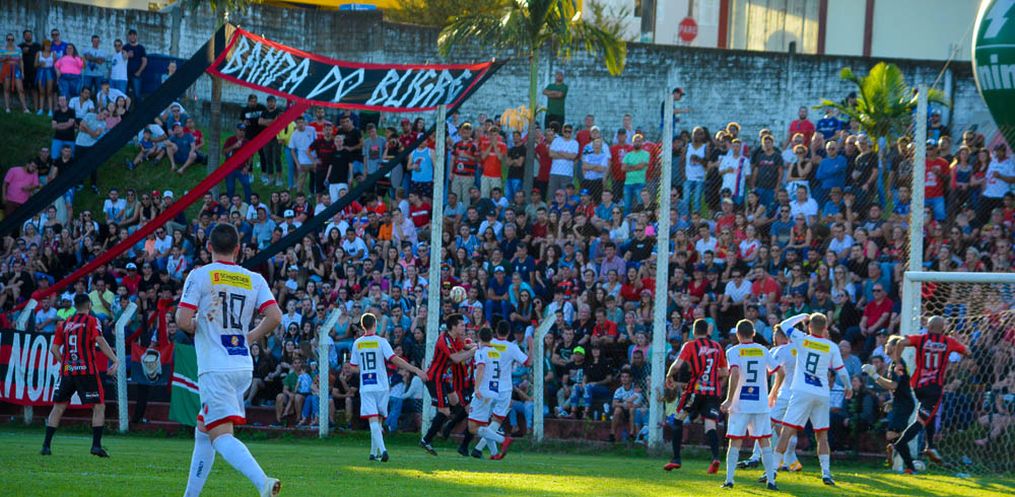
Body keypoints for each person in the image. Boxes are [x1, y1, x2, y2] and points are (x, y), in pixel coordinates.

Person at [175, 223, 283, 497]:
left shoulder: (201, 275)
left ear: (209, 247)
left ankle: (263, 483)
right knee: (204, 429)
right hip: (242, 365)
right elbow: (274, 316)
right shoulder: (253, 278)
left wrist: (199, 323)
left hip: (215, 367)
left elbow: (183, 320)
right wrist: (250, 336)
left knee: (221, 436)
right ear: (238, 249)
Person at [770, 313, 853, 486]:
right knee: (822, 434)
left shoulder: (802, 339)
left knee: (786, 430)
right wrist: (848, 387)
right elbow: (842, 371)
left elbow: (784, 324)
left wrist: (802, 316)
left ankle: (772, 470)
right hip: (821, 393)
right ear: (825, 328)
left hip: (802, 390)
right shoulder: (831, 346)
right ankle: (826, 473)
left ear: (809, 326)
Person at [41, 294, 119, 457]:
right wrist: (115, 360)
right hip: (87, 371)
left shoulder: (64, 323)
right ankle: (96, 446)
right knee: (98, 406)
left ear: (75, 306)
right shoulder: (92, 321)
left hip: (68, 371)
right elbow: (100, 340)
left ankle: (46, 446)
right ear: (89, 305)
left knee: (58, 406)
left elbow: (54, 349)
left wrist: (67, 363)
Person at [349, 312, 427, 462]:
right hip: (382, 385)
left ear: (363, 326)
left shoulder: (357, 343)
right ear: (375, 324)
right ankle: (374, 453)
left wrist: (364, 370)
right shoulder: (381, 341)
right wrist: (414, 369)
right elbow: (394, 359)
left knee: (372, 419)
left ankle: (382, 450)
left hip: (367, 385)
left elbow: (353, 367)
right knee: (378, 418)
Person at [892, 315, 969, 465]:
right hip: (934, 388)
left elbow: (901, 342)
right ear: (943, 328)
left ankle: (930, 446)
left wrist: (898, 362)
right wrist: (962, 346)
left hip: (918, 386)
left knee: (930, 414)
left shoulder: (921, 339)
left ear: (929, 327)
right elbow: (967, 351)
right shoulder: (948, 341)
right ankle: (901, 444)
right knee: (921, 420)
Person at [720, 319, 783, 490]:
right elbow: (780, 372)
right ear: (753, 333)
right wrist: (773, 392)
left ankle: (729, 480)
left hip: (741, 403)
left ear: (737, 335)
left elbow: (734, 374)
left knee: (735, 441)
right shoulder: (763, 350)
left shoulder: (733, 351)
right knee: (764, 441)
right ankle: (771, 481)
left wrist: (729, 399)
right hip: (760, 402)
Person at [663, 318, 728, 473]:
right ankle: (715, 458)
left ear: (694, 331)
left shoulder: (690, 345)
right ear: (707, 331)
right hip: (713, 392)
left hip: (695, 390)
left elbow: (677, 365)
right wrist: (712, 376)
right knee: (710, 425)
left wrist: (669, 375)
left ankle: (676, 459)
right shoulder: (717, 346)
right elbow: (725, 372)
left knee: (678, 419)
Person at [420, 313, 477, 456]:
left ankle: (445, 423)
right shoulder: (444, 339)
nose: (464, 327)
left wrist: (477, 345)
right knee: (445, 411)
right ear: (453, 326)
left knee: (455, 401)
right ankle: (426, 439)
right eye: (462, 325)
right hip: (435, 378)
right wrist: (473, 351)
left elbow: (463, 348)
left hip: (444, 378)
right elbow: (456, 358)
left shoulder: (454, 339)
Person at [475, 320, 530, 459]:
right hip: (504, 388)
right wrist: (532, 346)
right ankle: (481, 448)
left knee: (485, 421)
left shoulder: (489, 343)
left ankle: (488, 452)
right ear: (509, 332)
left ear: (496, 331)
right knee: (496, 421)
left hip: (489, 386)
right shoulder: (512, 347)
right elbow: (528, 362)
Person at [863, 335, 917, 473]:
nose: (885, 346)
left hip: (904, 404)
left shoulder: (898, 363)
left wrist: (874, 375)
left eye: (888, 344)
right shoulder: (894, 363)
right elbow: (899, 387)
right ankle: (908, 465)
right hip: (900, 403)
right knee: (895, 436)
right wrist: (893, 401)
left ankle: (908, 465)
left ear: (894, 347)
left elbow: (893, 385)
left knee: (892, 435)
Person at [466, 327, 508, 459]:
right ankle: (495, 453)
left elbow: (481, 368)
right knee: (483, 425)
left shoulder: (481, 352)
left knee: (472, 427)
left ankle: (503, 440)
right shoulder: (496, 352)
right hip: (493, 391)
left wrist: (476, 388)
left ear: (479, 337)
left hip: (482, 392)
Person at [2, 33, 30, 113]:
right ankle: (7, 108)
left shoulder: (18, 49)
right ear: (6, 40)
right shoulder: (2, 49)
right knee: (6, 88)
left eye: (12, 39)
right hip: (6, 68)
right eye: (9, 39)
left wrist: (22, 72)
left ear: (14, 40)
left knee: (20, 89)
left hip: (17, 69)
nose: (10, 41)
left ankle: (25, 108)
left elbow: (21, 61)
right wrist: (5, 58)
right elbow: (0, 60)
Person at [123, 29, 147, 102]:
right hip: (125, 75)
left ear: (136, 36)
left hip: (137, 76)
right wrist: (127, 55)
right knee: (124, 95)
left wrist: (139, 72)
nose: (132, 37)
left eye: (134, 35)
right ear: (128, 37)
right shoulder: (125, 47)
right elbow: (122, 59)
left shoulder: (141, 48)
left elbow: (145, 61)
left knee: (137, 96)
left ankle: (138, 109)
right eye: (130, 35)